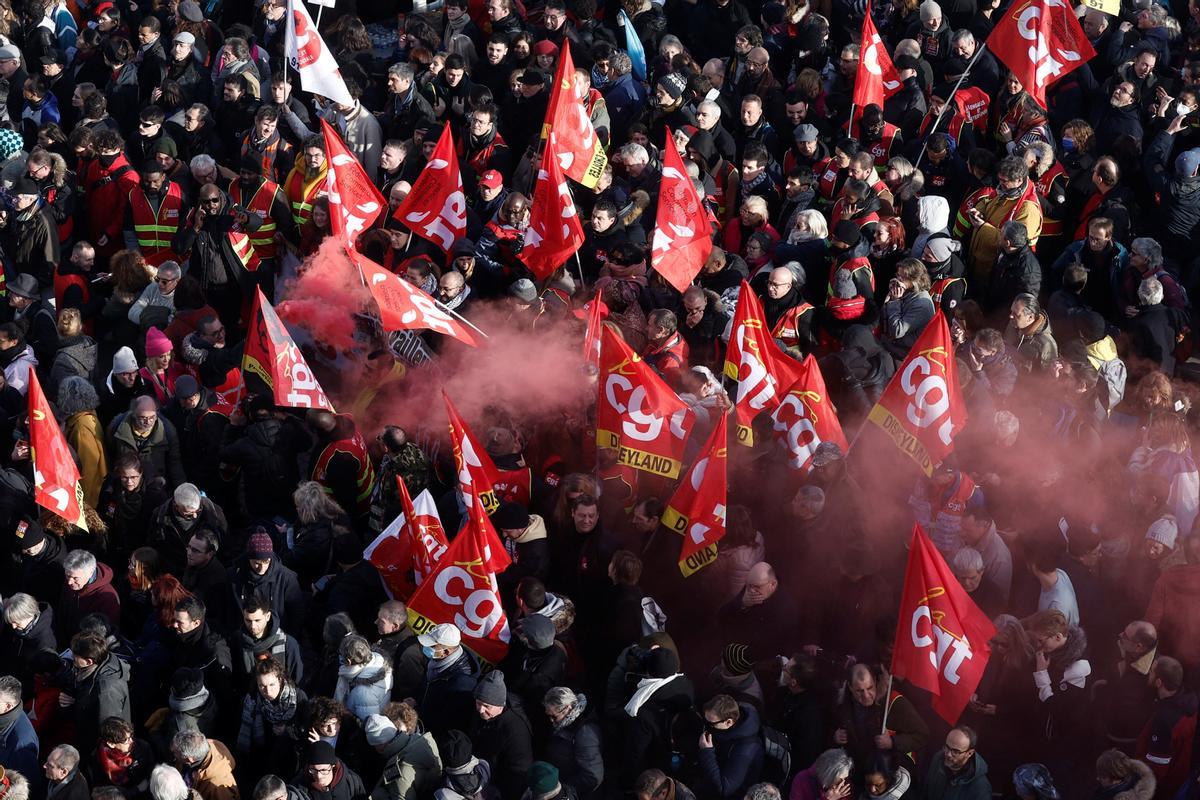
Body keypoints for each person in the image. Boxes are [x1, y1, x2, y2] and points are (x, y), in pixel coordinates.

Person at [922, 726, 991, 800]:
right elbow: (925, 794)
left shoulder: (981, 788)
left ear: (970, 753)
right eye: (947, 747)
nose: (948, 754)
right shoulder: (937, 759)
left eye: (956, 751)